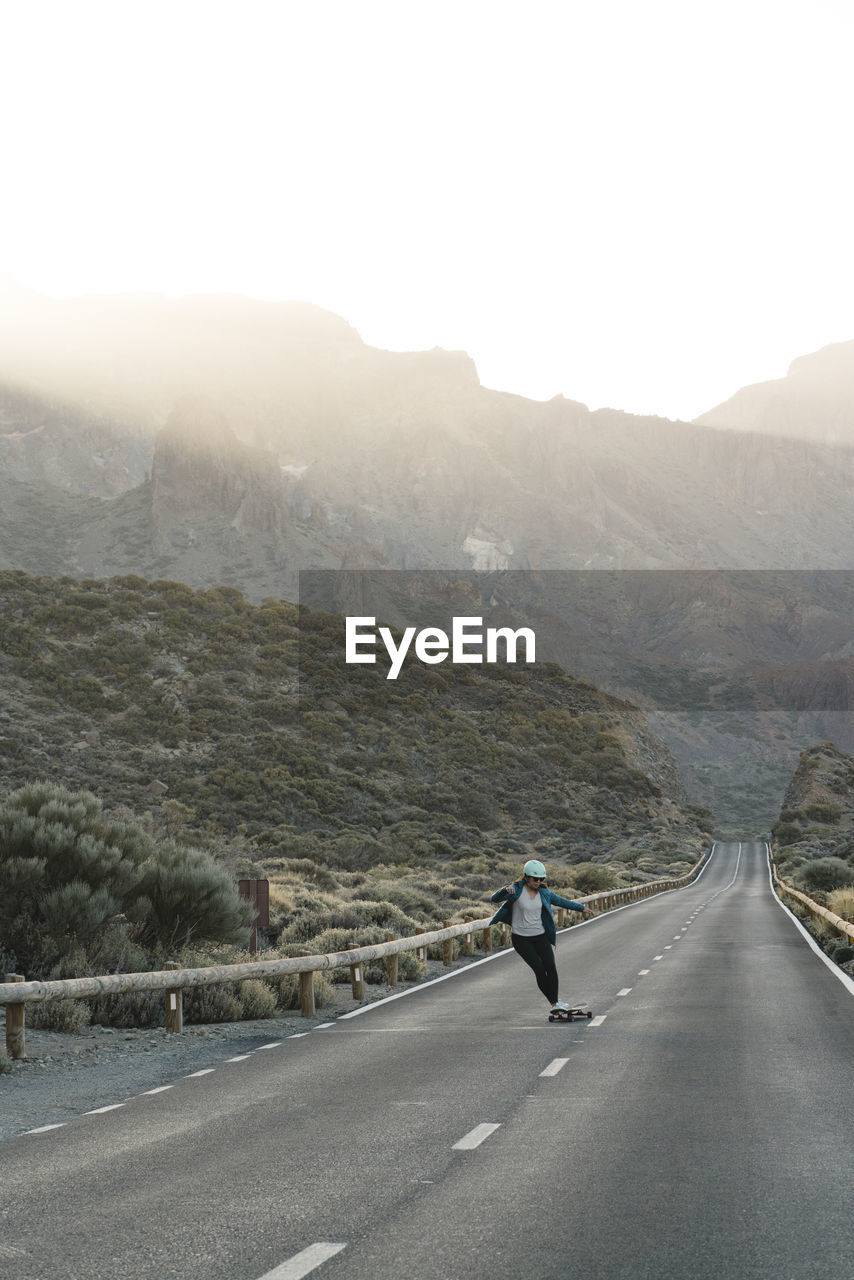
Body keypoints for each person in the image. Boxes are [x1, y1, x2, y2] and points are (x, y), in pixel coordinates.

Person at [490, 859, 594, 1014]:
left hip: (540, 936)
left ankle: (556, 1002)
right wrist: (505, 890)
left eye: (541, 879)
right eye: (535, 879)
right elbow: (494, 899)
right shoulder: (515, 890)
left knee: (551, 967)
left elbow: (562, 901)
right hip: (521, 939)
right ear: (526, 876)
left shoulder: (544, 893)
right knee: (539, 968)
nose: (538, 882)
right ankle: (555, 1004)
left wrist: (582, 908)